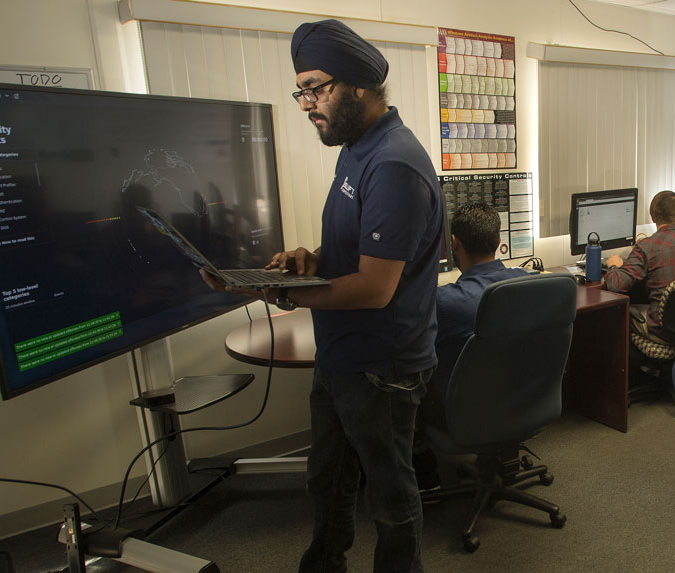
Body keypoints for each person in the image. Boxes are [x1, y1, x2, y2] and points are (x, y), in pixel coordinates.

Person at [201, 19, 441, 572]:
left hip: (382, 363)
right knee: (327, 479)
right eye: (301, 91)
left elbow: (377, 288)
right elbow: (357, 257)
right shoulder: (357, 147)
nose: (307, 103)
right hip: (342, 355)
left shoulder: (394, 163)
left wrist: (282, 291)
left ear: (358, 85)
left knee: (389, 493)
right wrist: (313, 262)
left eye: (316, 88)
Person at [432, 201, 529, 402]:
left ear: (454, 242)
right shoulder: (527, 281)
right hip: (518, 401)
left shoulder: (445, 302)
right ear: (499, 239)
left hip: (463, 410)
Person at [602, 190, 675, 343]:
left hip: (666, 333)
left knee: (620, 315)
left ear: (652, 216)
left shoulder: (647, 247)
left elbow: (616, 284)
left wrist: (615, 267)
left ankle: (630, 367)